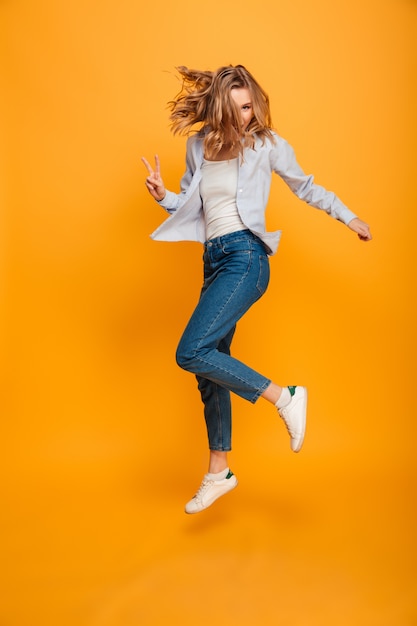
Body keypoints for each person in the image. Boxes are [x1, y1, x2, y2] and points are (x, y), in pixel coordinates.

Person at [142, 65, 372, 515]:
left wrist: (348, 216)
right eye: (238, 107)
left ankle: (284, 396)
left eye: (250, 106)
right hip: (213, 261)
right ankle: (219, 472)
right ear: (220, 109)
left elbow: (305, 187)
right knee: (208, 367)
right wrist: (163, 196)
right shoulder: (198, 147)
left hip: (246, 257)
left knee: (190, 350)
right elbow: (193, 203)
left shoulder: (265, 145)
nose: (247, 115)